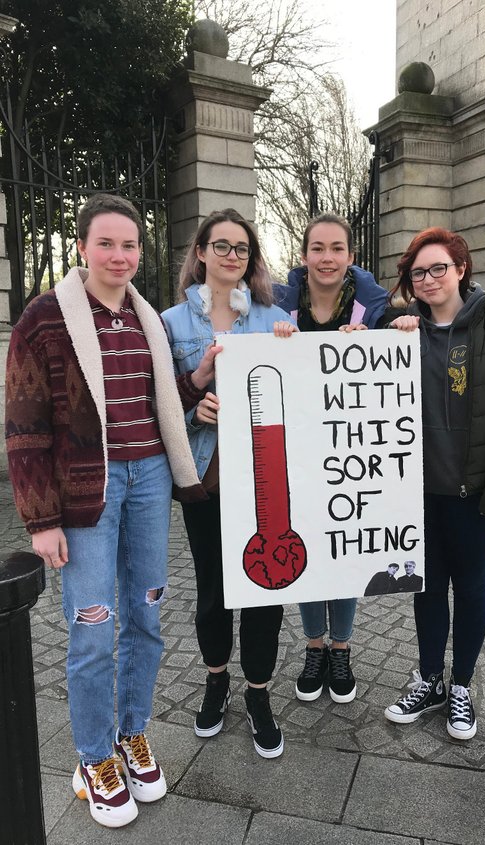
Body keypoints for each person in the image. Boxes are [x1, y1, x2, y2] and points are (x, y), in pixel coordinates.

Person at [5, 193, 208, 829]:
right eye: (107, 243)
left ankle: (132, 734)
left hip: (149, 481)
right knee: (93, 627)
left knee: (146, 616)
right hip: (83, 491)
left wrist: (199, 375)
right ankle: (93, 757)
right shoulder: (45, 319)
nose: (119, 256)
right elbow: (24, 427)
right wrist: (41, 521)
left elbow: (157, 400)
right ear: (83, 247)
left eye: (130, 245)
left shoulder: (147, 319)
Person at [381, 227, 485, 740]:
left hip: (474, 494)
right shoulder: (401, 330)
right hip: (418, 493)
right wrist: (377, 334)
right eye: (418, 272)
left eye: (438, 268)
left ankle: (462, 686)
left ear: (461, 270)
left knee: (470, 589)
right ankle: (429, 678)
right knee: (426, 589)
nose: (428, 279)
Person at [162, 209, 296, 760]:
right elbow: (159, 403)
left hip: (266, 478)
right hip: (205, 478)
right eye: (221, 246)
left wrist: (293, 344)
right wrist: (197, 410)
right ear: (200, 252)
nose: (231, 256)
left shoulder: (273, 317)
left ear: (251, 258)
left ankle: (259, 693)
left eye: (241, 248)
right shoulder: (170, 323)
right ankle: (217, 682)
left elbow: (302, 388)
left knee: (268, 588)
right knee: (214, 588)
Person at [274, 212, 388, 704]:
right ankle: (314, 647)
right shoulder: (276, 306)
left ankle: (341, 648)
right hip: (296, 451)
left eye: (336, 248)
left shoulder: (374, 308)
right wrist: (270, 338)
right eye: (317, 248)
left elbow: (396, 368)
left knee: (345, 550)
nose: (327, 258)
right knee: (303, 547)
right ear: (304, 257)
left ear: (350, 257)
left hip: (350, 451)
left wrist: (397, 329)